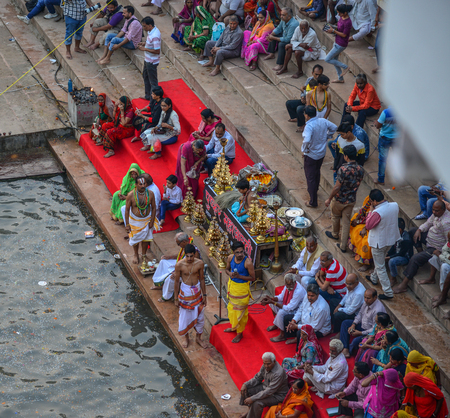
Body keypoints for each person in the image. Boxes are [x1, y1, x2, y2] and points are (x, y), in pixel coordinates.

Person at [395, 200, 450, 294]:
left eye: (436, 211)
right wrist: (419, 230)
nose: (434, 212)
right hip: (429, 238)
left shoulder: (446, 223)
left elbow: (447, 242)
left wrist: (438, 251)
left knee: (415, 258)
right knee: (412, 231)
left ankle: (404, 284)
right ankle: (421, 253)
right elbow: (428, 223)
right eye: (433, 210)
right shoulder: (436, 214)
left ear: (443, 210)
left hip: (435, 248)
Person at [325, 145, 364, 253]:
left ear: (346, 156)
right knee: (346, 222)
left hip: (339, 199)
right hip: (351, 200)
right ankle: (343, 246)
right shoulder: (361, 169)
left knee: (335, 216)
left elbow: (337, 187)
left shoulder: (343, 169)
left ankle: (335, 234)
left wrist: (329, 198)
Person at [365, 189, 400, 300]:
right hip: (390, 239)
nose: (371, 204)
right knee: (379, 261)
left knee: (380, 267)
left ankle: (388, 292)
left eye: (371, 202)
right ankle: (374, 278)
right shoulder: (394, 205)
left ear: (375, 201)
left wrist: (370, 211)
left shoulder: (377, 212)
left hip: (379, 243)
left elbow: (368, 225)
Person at [301, 106, 337, 208]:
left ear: (307, 115)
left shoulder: (309, 126)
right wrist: (328, 136)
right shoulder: (323, 121)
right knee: (316, 172)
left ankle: (313, 201)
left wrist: (304, 150)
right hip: (321, 153)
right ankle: (314, 190)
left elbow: (307, 140)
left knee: (311, 177)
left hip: (311, 154)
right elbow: (334, 127)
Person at [173, 244, 207, 349]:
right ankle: (186, 338)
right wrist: (175, 298)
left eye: (191, 256)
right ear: (184, 255)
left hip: (197, 295)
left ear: (194, 254)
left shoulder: (199, 263)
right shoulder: (179, 265)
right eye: (187, 256)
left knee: (200, 318)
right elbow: (177, 281)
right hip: (185, 293)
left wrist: (204, 294)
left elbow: (201, 279)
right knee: (184, 318)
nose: (189, 259)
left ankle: (198, 338)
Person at [151, 233, 200, 301]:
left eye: (178, 244)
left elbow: (192, 267)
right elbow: (181, 256)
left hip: (188, 273)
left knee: (170, 278)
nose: (178, 245)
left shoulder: (194, 252)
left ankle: (166, 296)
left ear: (184, 242)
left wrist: (177, 272)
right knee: (164, 261)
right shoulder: (186, 245)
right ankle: (160, 283)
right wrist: (169, 257)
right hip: (181, 264)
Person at [239, 352, 289, 418]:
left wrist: (252, 398)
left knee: (257, 402)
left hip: (277, 395)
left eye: (268, 364)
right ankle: (249, 412)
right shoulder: (265, 365)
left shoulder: (278, 373)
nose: (266, 366)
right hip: (265, 388)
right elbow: (257, 378)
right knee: (247, 389)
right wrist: (245, 384)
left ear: (274, 361)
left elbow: (269, 391)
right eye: (264, 363)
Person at [224, 242, 255, 343]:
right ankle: (234, 327)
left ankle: (240, 333)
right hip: (232, 287)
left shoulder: (248, 263)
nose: (240, 254)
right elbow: (226, 269)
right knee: (231, 310)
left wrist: (239, 276)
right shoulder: (230, 258)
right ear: (234, 252)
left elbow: (253, 278)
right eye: (237, 252)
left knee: (240, 312)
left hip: (242, 290)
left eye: (242, 252)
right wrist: (231, 274)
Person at [339, 288, 385, 358]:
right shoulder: (366, 302)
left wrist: (360, 333)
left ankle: (350, 352)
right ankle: (345, 348)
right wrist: (353, 324)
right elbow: (360, 314)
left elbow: (374, 329)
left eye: (368, 298)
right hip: (363, 325)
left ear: (375, 297)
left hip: (370, 332)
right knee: (345, 323)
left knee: (355, 341)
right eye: (365, 297)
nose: (366, 300)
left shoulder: (377, 310)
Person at [262, 273, 306, 342]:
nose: (289, 286)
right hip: (290, 306)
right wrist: (272, 299)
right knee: (272, 304)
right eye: (287, 284)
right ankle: (276, 324)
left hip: (297, 310)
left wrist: (273, 302)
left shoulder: (298, 291)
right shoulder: (287, 286)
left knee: (281, 312)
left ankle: (282, 335)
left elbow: (289, 308)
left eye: (291, 284)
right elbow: (281, 297)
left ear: (294, 282)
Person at [124, 176, 157, 265]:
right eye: (140, 184)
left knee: (146, 238)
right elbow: (127, 210)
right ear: (136, 185)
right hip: (135, 221)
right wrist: (127, 224)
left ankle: (144, 255)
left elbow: (154, 208)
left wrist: (152, 221)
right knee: (134, 238)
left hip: (147, 220)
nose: (143, 185)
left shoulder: (150, 194)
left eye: (144, 183)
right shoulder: (131, 195)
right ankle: (135, 254)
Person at [324, 4, 352, 83]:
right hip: (337, 41)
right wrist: (332, 28)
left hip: (341, 44)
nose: (338, 14)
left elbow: (344, 34)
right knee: (335, 60)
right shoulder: (341, 17)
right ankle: (340, 79)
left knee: (327, 59)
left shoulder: (348, 22)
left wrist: (333, 31)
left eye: (340, 13)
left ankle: (345, 67)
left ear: (345, 13)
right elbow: (339, 28)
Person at [265, 8, 298, 73]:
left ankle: (280, 64)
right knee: (273, 36)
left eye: (283, 15)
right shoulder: (284, 20)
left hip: (293, 40)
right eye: (281, 15)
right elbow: (278, 29)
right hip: (285, 36)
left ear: (289, 16)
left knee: (282, 44)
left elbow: (287, 39)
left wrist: (273, 38)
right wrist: (271, 35)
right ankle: (271, 54)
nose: (281, 16)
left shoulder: (293, 24)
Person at [348, 195, 373, 271]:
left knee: (365, 241)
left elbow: (371, 221)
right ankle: (357, 253)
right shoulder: (368, 200)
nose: (370, 201)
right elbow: (362, 211)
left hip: (372, 227)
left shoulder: (378, 209)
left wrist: (364, 227)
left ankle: (366, 263)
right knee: (355, 229)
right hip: (363, 223)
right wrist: (357, 219)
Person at [138, 17, 160, 102]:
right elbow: (151, 44)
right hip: (147, 59)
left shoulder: (155, 36)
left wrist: (145, 49)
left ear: (150, 25)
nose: (143, 28)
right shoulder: (151, 31)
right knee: (145, 76)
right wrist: (145, 44)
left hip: (152, 61)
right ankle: (148, 95)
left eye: (144, 26)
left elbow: (157, 50)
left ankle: (154, 100)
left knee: (153, 82)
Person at [386, 218, 413, 286]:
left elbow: (401, 253)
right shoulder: (397, 234)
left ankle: (393, 278)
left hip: (405, 257)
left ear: (400, 229)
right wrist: (387, 253)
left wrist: (388, 257)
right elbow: (393, 246)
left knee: (392, 261)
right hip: (397, 251)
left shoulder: (406, 239)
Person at [374, 107, 397, 185]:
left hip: (385, 138)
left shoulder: (386, 112)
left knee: (383, 159)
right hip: (397, 138)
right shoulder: (403, 111)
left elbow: (377, 126)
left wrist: (376, 122)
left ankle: (381, 179)